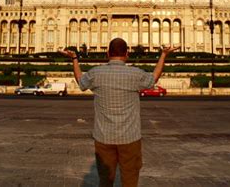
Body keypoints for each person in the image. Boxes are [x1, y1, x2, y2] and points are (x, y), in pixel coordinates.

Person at [59, 38, 179, 187]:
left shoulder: (96, 73)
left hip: (104, 138)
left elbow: (80, 81)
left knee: (105, 181)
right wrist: (163, 55)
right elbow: (153, 78)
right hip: (130, 139)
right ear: (127, 54)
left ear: (107, 53)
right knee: (130, 180)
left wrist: (75, 58)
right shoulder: (135, 74)